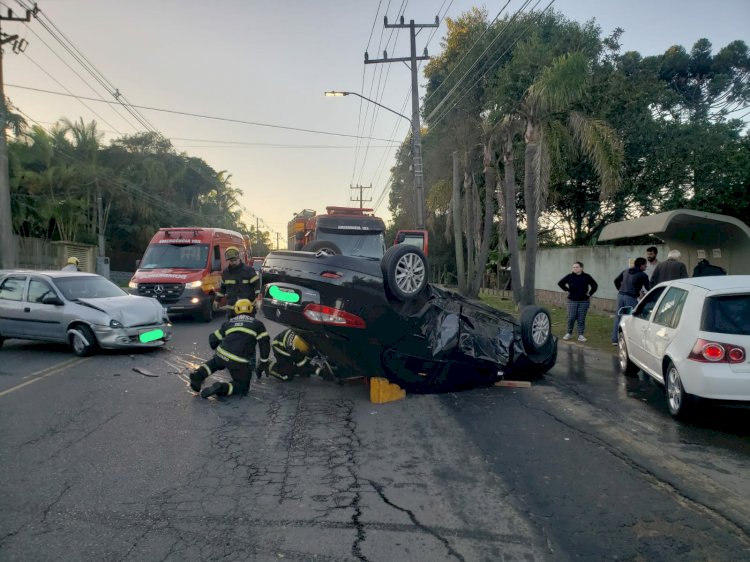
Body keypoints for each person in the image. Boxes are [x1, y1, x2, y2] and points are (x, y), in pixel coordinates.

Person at [189, 298, 271, 399]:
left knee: (215, 363)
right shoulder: (257, 324)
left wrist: (215, 346)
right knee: (242, 386)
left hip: (222, 353)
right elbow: (264, 343)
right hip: (239, 360)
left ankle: (198, 375)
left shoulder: (229, 322)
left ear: (236, 310)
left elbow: (213, 339)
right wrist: (264, 362)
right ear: (251, 309)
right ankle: (221, 388)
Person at [612, 257, 650, 345]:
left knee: (618, 317)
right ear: (641, 265)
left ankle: (615, 339)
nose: (646, 266)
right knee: (632, 318)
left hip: (620, 295)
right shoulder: (643, 275)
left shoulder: (625, 271)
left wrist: (620, 289)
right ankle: (630, 339)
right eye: (645, 265)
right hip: (630, 297)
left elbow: (616, 280)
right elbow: (648, 288)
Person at [557, 261, 598, 342]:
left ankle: (581, 335)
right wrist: (567, 289)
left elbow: (595, 285)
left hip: (584, 301)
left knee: (581, 319)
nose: (574, 268)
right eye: (573, 267)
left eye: (576, 267)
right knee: (571, 318)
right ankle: (569, 333)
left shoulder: (586, 276)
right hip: (572, 300)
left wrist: (589, 294)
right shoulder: (569, 276)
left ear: (581, 268)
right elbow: (560, 283)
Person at [215, 246, 259, 318]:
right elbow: (222, 289)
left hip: (247, 308)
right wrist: (217, 301)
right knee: (231, 328)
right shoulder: (226, 272)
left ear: (239, 258)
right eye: (231, 261)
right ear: (228, 260)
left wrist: (258, 299)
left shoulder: (248, 270)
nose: (234, 262)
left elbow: (257, 285)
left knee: (249, 328)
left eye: (235, 260)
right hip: (232, 309)